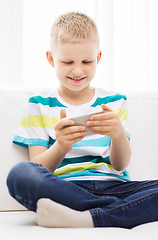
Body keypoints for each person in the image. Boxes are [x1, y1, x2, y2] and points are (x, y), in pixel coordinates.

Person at [7, 11, 158, 228]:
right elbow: (38, 168)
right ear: (51, 59)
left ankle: (89, 217)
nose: (77, 70)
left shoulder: (115, 101)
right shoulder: (39, 104)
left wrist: (117, 135)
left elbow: (119, 165)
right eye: (67, 61)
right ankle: (118, 210)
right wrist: (61, 146)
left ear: (98, 58)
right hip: (66, 189)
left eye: (86, 61)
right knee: (19, 175)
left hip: (116, 187)